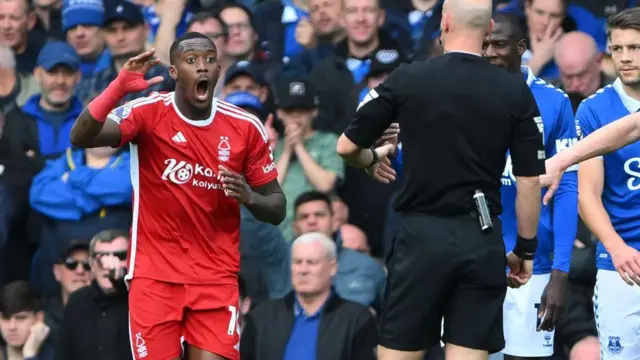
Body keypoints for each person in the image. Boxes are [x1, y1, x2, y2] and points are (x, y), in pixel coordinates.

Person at [335, 0, 547, 359]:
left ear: (444, 23)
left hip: (421, 238)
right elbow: (529, 181)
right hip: (480, 237)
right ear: (489, 26)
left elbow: (346, 146)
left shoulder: (410, 77)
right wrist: (525, 251)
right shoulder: (514, 90)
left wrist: (370, 160)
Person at [67, 32, 286, 360]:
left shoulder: (245, 128)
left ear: (218, 72)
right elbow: (80, 136)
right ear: (173, 72)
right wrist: (117, 88)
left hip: (215, 277)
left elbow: (278, 208)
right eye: (192, 60)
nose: (202, 68)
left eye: (210, 61)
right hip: (154, 277)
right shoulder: (146, 113)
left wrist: (250, 197)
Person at [542, 8, 640, 359]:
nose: (626, 57)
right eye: (619, 48)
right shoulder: (593, 110)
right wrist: (615, 248)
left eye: (635, 47)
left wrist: (559, 161)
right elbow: (587, 193)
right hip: (621, 263)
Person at [240, 232, 378, 360]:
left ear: (333, 267)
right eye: (297, 262)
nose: (303, 270)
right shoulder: (262, 316)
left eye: (311, 262)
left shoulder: (357, 319)